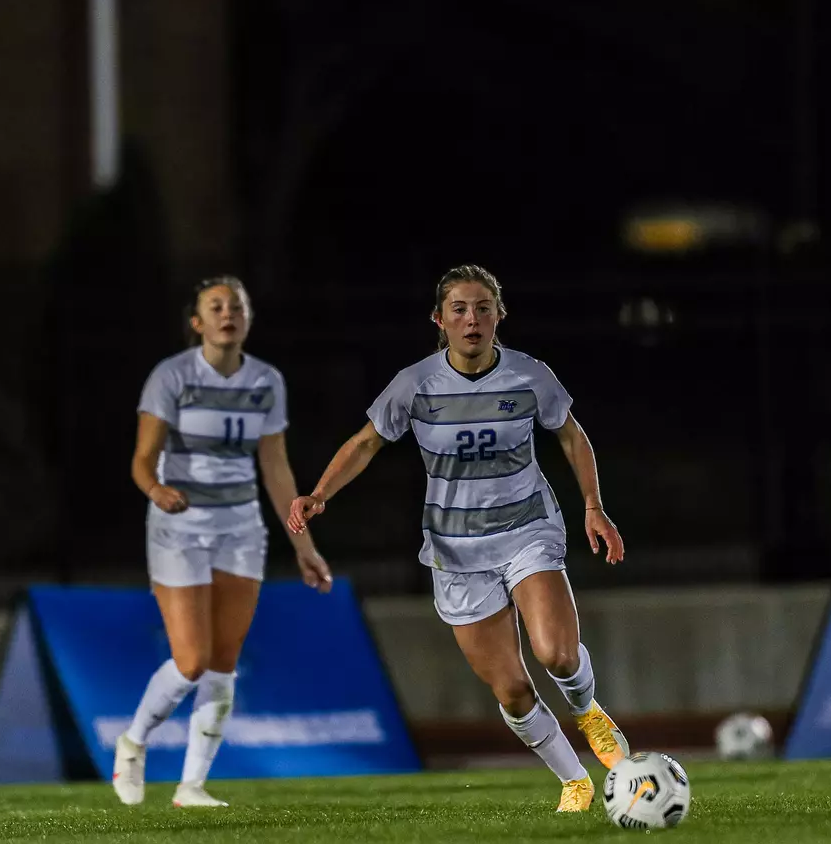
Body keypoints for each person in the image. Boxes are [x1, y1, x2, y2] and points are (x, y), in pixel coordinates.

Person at [287, 265, 628, 813]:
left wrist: (593, 506)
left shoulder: (529, 375)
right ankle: (574, 780)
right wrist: (321, 492)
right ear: (439, 320)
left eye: (483, 308)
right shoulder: (416, 384)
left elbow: (570, 432)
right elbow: (366, 443)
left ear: (499, 316)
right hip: (455, 551)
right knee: (512, 689)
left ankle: (589, 711)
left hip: (527, 530)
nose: (472, 320)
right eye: (460, 310)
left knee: (557, 654)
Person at [115, 276, 332, 809]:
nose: (227, 313)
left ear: (248, 319)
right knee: (190, 659)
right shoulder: (172, 376)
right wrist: (156, 489)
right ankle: (133, 741)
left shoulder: (266, 381)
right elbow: (143, 458)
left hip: (240, 527)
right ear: (198, 322)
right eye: (216, 306)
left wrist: (304, 546)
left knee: (223, 661)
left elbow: (275, 467)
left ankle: (191, 786)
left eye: (236, 306)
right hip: (179, 528)